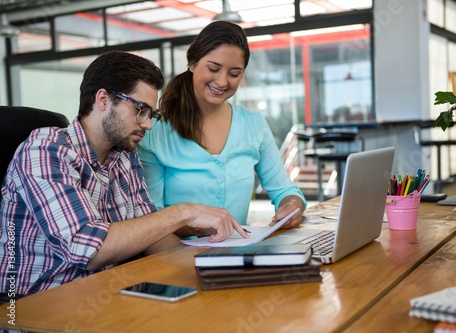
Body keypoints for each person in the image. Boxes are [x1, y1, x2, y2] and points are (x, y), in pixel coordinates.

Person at [0, 50, 247, 296]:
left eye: (152, 114)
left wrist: (216, 267)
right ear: (104, 99)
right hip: (43, 307)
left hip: (112, 295)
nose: (148, 123)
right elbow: (88, 249)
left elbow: (153, 236)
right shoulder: (46, 149)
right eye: (141, 110)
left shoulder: (125, 156)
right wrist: (185, 212)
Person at [137, 21, 306, 228]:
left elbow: (284, 190)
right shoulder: (156, 131)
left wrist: (290, 206)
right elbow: (151, 216)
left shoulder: (254, 125)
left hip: (236, 254)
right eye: (213, 68)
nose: (222, 81)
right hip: (174, 255)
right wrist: (195, 227)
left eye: (234, 74)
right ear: (192, 63)